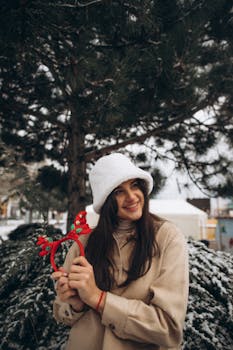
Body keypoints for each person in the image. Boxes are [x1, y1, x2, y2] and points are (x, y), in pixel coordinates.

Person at [52, 153, 189, 350]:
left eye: (134, 185)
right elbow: (60, 312)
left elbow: (168, 329)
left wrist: (98, 299)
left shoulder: (168, 238)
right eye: (118, 191)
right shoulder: (85, 242)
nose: (132, 197)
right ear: (105, 200)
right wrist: (74, 305)